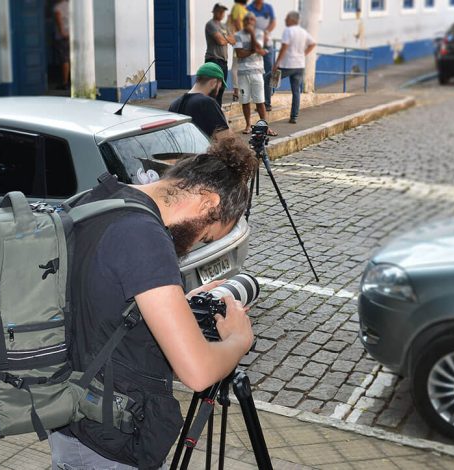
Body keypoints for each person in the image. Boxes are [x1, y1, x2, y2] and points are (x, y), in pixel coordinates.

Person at [48, 133, 257, 469]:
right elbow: (199, 372)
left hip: (72, 416)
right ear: (208, 202)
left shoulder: (96, 199)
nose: (194, 245)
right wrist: (238, 339)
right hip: (107, 441)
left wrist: (176, 302)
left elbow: (98, 299)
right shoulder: (145, 235)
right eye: (207, 235)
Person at [235, 12, 276, 136]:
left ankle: (265, 127)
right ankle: (248, 125)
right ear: (243, 21)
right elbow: (239, 54)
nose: (248, 21)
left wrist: (252, 34)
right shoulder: (237, 35)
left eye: (251, 19)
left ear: (254, 22)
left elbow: (258, 47)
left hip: (257, 72)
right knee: (245, 100)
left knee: (260, 101)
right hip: (242, 73)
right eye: (246, 19)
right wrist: (254, 50)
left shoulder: (259, 33)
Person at [272, 11, 315, 124]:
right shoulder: (303, 31)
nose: (285, 20)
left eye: (286, 18)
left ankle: (266, 104)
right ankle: (294, 117)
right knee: (296, 91)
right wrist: (303, 54)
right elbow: (312, 43)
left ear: (292, 20)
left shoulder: (288, 30)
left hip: (288, 65)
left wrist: (276, 63)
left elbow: (284, 47)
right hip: (299, 65)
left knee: (268, 79)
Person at [169, 62, 229, 137]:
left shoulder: (174, 104)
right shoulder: (208, 103)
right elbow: (225, 139)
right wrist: (224, 119)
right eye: (219, 86)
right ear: (213, 82)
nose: (218, 91)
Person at [247, 0, 276, 111]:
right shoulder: (249, 8)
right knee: (256, 74)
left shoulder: (268, 7)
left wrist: (266, 32)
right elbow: (248, 25)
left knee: (268, 74)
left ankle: (267, 103)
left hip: (267, 45)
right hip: (254, 46)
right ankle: (259, 102)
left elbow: (273, 22)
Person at [204, 3, 234, 106]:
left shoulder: (224, 26)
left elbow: (233, 40)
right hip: (214, 60)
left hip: (223, 62)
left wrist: (223, 37)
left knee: (221, 89)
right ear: (214, 12)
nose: (222, 14)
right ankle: (210, 113)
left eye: (223, 12)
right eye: (220, 11)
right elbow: (220, 42)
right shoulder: (211, 24)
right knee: (213, 90)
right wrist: (226, 38)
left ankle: (217, 112)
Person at [228, 0, 249, 102]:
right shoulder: (237, 7)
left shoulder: (243, 8)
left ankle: (241, 90)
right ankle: (236, 91)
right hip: (241, 40)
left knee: (242, 65)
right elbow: (237, 21)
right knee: (236, 66)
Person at [53, 0, 70, 89]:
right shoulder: (70, 6)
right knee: (70, 58)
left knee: (64, 59)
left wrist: (62, 33)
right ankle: (71, 80)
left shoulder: (58, 7)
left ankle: (64, 82)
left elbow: (58, 20)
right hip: (71, 34)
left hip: (62, 37)